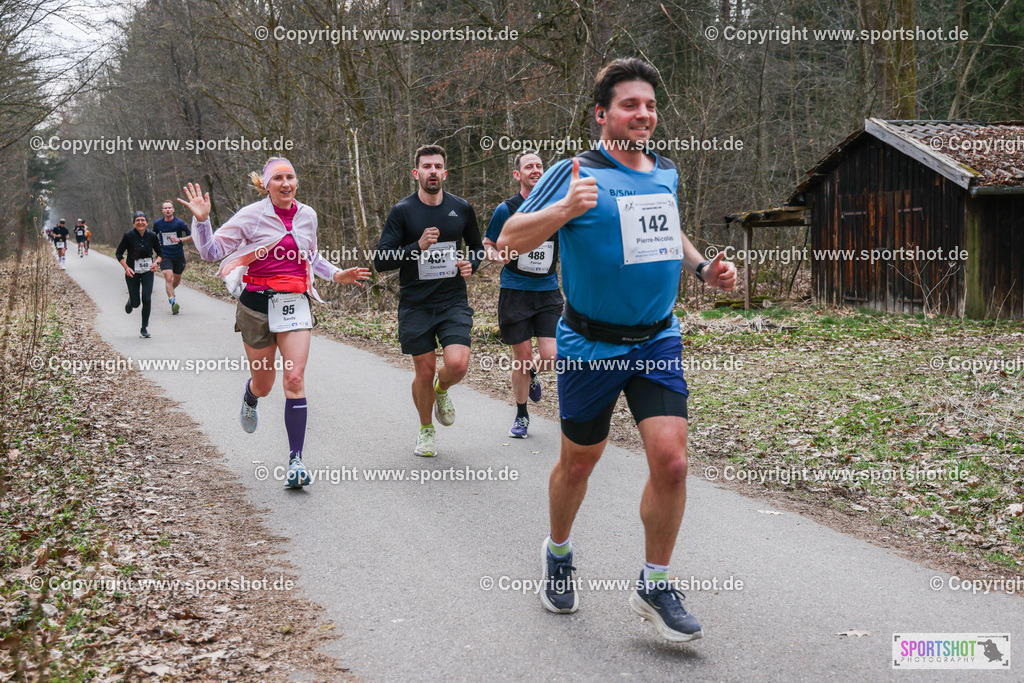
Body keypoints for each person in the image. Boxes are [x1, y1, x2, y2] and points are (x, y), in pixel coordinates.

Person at [498, 58, 737, 642]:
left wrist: (703, 267)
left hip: (657, 337)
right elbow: (508, 241)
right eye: (630, 105)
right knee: (580, 462)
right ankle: (558, 551)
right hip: (590, 344)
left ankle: (655, 584)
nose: (644, 114)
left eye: (650, 106)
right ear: (602, 114)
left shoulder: (665, 171)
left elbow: (669, 225)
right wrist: (563, 211)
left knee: (673, 461)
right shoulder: (573, 171)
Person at [177, 158, 370, 489]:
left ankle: (295, 460)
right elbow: (211, 251)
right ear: (265, 185)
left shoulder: (307, 215)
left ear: (296, 182)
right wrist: (203, 221)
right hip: (256, 307)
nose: (285, 183)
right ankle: (250, 395)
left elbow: (311, 257)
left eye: (290, 176)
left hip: (295, 304)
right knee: (264, 385)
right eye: (278, 178)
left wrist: (336, 273)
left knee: (294, 379)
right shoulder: (252, 216)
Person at [374, 145, 482, 457]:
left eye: (437, 166)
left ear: (445, 173)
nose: (432, 171)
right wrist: (416, 246)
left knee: (458, 365)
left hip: (452, 302)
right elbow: (381, 260)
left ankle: (442, 388)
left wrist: (470, 264)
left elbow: (477, 247)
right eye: (426, 166)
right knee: (422, 370)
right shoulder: (403, 211)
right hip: (415, 304)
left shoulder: (461, 208)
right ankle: (425, 429)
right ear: (416, 173)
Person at [483, 150, 561, 439]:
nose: (536, 170)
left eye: (540, 166)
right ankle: (522, 414)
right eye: (529, 166)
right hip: (515, 291)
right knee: (522, 358)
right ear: (518, 174)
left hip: (548, 292)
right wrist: (494, 257)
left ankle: (533, 372)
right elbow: (488, 243)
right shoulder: (507, 209)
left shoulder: (556, 208)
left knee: (552, 356)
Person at [116, 211, 163, 338]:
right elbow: (118, 253)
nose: (140, 222)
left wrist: (156, 263)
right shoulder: (128, 235)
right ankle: (132, 301)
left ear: (147, 222)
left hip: (147, 271)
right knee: (137, 303)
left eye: (143, 220)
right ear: (134, 223)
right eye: (138, 220)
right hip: (133, 272)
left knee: (147, 299)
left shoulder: (152, 236)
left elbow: (161, 253)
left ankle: (144, 327)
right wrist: (126, 268)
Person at [152, 200, 193, 314]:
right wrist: (156, 242)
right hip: (164, 255)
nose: (167, 210)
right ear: (162, 210)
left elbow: (192, 236)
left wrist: (179, 239)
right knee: (168, 277)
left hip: (178, 255)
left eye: (169, 208)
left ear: (173, 210)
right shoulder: (158, 223)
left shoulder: (179, 223)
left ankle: (170, 292)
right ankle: (173, 301)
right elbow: (152, 235)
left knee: (176, 279)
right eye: (165, 208)